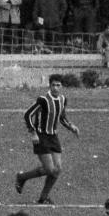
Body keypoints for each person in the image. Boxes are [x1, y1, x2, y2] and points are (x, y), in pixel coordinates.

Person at [15, 75, 79, 205]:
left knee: (58, 169)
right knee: (50, 169)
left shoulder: (62, 99)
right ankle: (22, 177)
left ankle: (43, 198)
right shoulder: (43, 100)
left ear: (62, 86)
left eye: (58, 85)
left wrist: (71, 127)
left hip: (53, 137)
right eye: (53, 85)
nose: (56, 88)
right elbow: (28, 114)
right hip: (41, 136)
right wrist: (33, 133)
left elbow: (61, 116)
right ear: (49, 86)